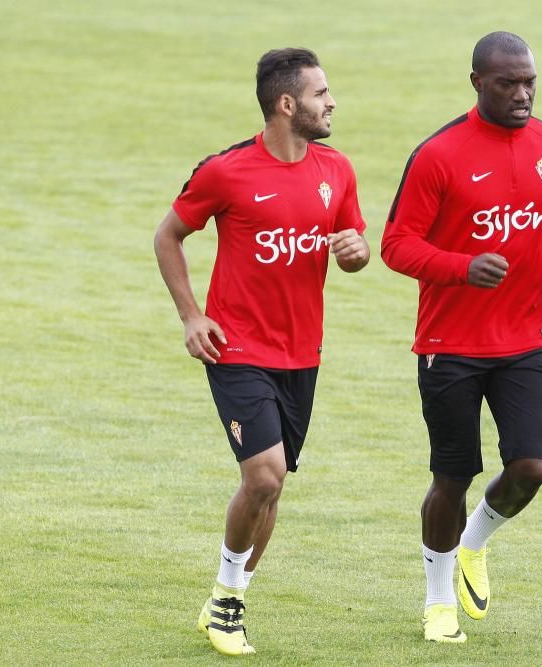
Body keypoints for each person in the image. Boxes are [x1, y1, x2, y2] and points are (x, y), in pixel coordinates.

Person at [153, 47, 370, 656]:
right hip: (236, 347)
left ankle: (231, 599)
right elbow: (168, 235)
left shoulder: (337, 170)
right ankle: (226, 596)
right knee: (264, 473)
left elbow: (353, 244)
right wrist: (192, 316)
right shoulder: (227, 171)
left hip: (302, 354)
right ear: (286, 104)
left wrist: (355, 254)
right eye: (320, 93)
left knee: (272, 489)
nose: (331, 102)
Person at [381, 31, 542, 644]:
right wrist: (461, 267)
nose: (522, 94)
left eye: (529, 82)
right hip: (450, 345)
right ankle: (438, 598)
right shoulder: (439, 154)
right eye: (508, 83)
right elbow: (396, 245)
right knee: (453, 475)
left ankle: (473, 544)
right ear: (477, 82)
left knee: (532, 465)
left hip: (525, 340)